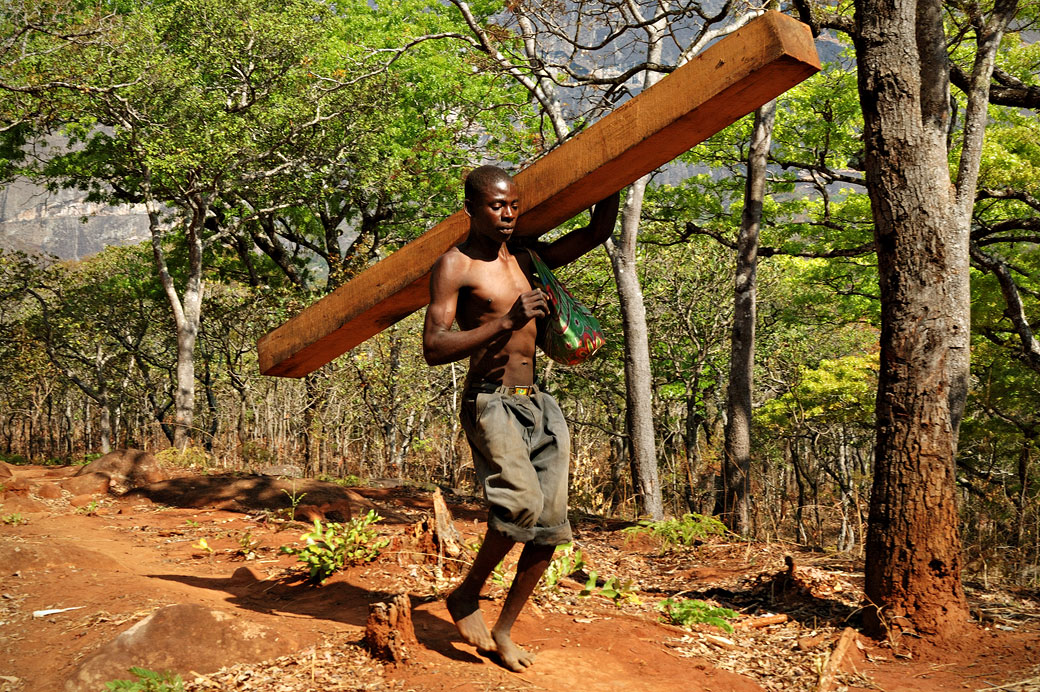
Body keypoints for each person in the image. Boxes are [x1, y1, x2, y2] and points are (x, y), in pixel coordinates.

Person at [423, 164, 619, 671]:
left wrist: (620, 171)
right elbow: (434, 346)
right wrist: (507, 321)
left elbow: (597, 231)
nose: (508, 215)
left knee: (551, 526)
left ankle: (505, 628)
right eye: (496, 206)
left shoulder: (528, 255)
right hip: (490, 401)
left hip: (540, 402)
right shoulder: (455, 266)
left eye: (513, 205)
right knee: (520, 508)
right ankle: (467, 596)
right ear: (472, 209)